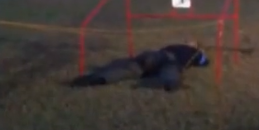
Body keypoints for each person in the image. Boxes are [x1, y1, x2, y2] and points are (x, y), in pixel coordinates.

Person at [71, 42, 210, 92]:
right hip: (165, 58)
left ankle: (99, 78)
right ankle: (171, 84)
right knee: (170, 70)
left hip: (157, 56)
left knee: (129, 69)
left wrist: (200, 52)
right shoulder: (192, 51)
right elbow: (205, 62)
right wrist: (201, 52)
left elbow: (204, 61)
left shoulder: (192, 52)